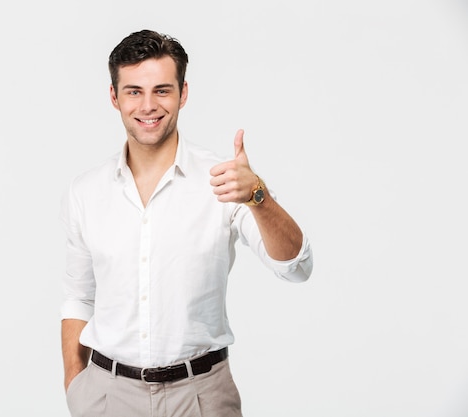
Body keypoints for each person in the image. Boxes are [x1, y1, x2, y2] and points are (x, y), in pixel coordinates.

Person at [60, 29, 313, 417]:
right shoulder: (86, 192)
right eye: (133, 91)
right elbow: (79, 297)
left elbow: (297, 268)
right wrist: (76, 387)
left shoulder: (226, 180)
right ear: (114, 96)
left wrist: (258, 197)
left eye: (162, 90)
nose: (148, 105)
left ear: (183, 93)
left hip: (202, 397)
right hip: (106, 399)